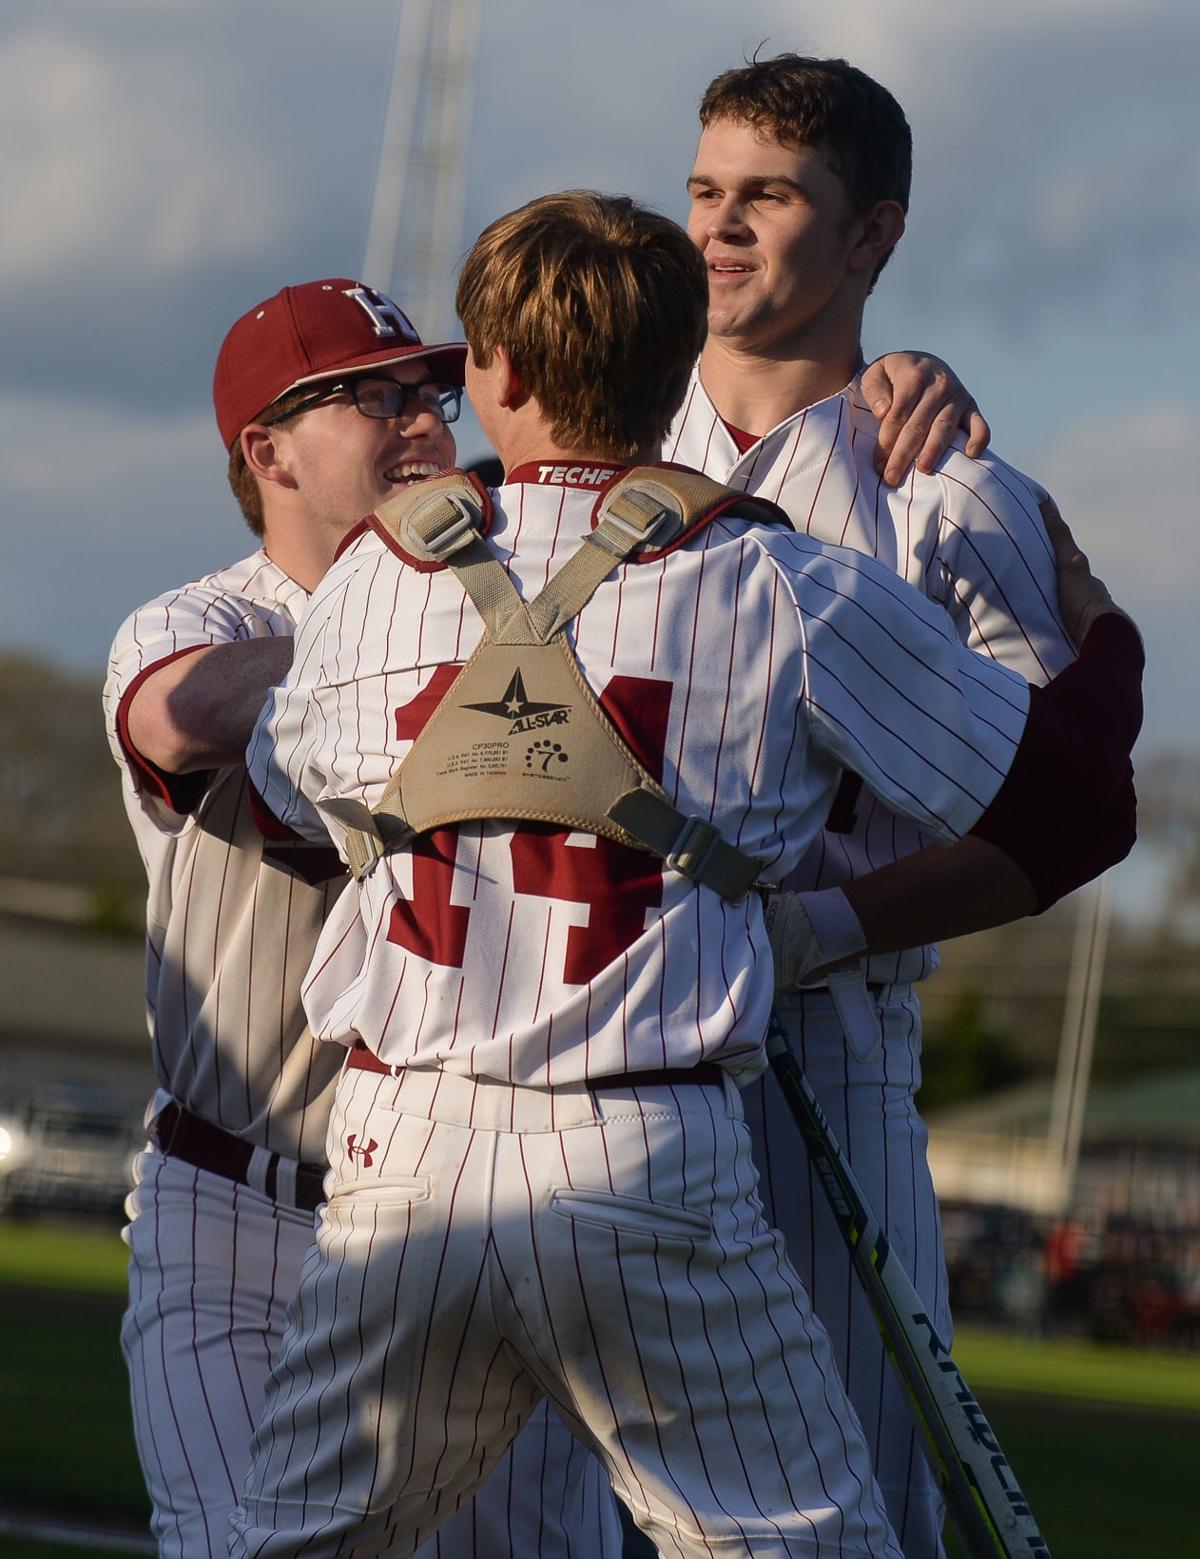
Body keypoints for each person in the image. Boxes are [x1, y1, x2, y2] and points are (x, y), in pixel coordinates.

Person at [230, 189, 1140, 1558]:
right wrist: (1102, 629)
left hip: (399, 1154)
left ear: (498, 373)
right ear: (673, 372)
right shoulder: (772, 575)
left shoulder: (372, 578)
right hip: (640, 1153)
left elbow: (297, 787)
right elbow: (1073, 802)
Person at [102, 277, 625, 1559]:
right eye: (365, 394)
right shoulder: (204, 617)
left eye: (430, 392)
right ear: (265, 450)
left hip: (464, 1213)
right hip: (237, 1208)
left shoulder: (508, 610)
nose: (418, 420)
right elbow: (173, 712)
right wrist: (396, 644)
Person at [665, 55, 1112, 1554]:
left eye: (769, 198)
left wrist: (809, 933)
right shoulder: (595, 445)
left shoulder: (952, 493)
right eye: (706, 192)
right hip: (595, 1055)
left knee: (852, 1506)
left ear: (874, 236)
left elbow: (1054, 824)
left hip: (826, 1054)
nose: (721, 231)